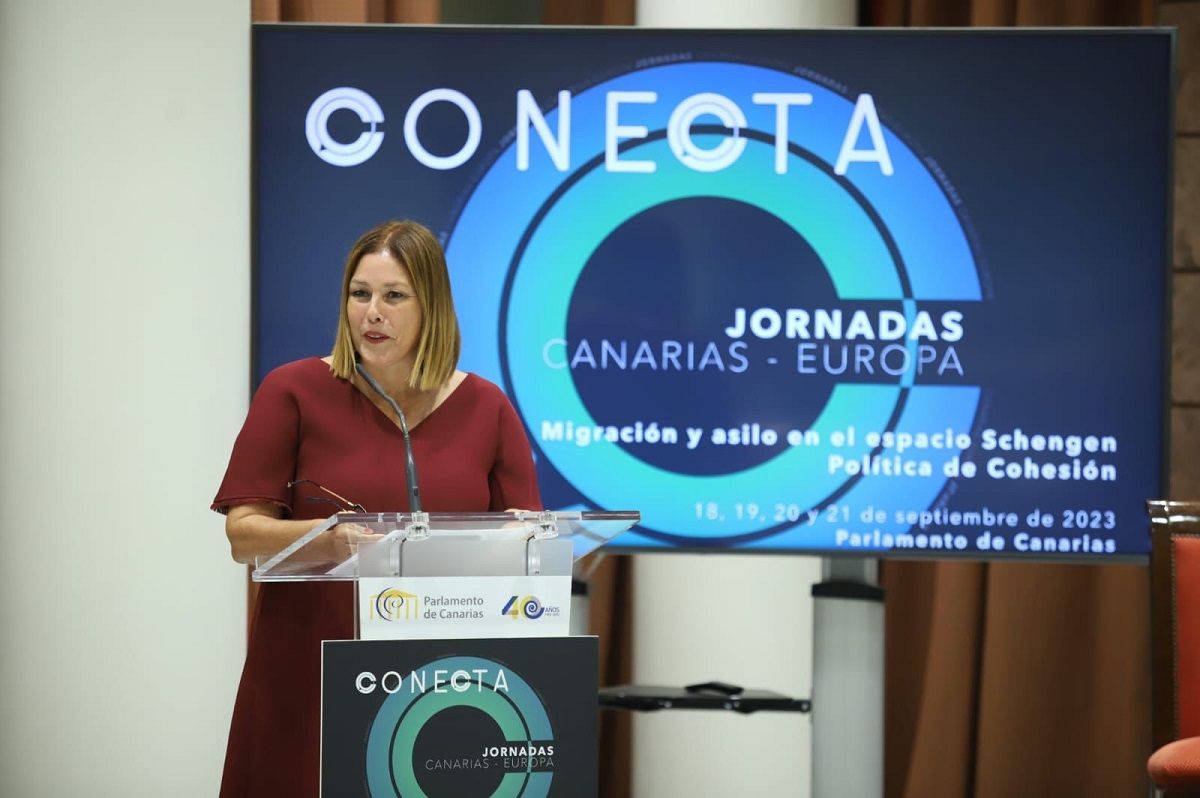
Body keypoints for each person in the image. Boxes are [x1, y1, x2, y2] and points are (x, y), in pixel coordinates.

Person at [211, 220, 541, 797]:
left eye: (393, 296)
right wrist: (329, 540)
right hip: (310, 676)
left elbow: (530, 541)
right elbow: (244, 535)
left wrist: (521, 542)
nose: (372, 313)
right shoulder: (293, 391)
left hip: (443, 682)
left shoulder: (487, 407)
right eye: (359, 294)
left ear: (431, 305)